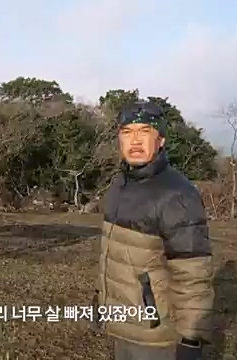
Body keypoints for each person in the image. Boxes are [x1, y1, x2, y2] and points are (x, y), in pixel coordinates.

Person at [94, 101, 214, 360]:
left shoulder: (177, 194)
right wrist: (102, 298)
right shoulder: (120, 185)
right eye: (127, 132)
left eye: (144, 132)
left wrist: (191, 340)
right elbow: (116, 256)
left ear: (160, 140)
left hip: (156, 338)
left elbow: (192, 275)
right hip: (124, 325)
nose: (135, 141)